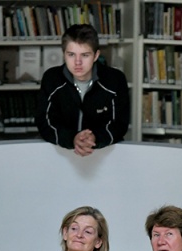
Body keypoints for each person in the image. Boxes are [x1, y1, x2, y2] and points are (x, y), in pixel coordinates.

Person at [36, 24, 130, 156]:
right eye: (71, 55)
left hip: (105, 154)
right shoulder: (51, 79)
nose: (77, 62)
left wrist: (95, 138)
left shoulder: (115, 79)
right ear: (64, 54)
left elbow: (120, 124)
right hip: (60, 154)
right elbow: (44, 122)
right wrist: (72, 139)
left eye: (85, 55)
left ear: (96, 56)